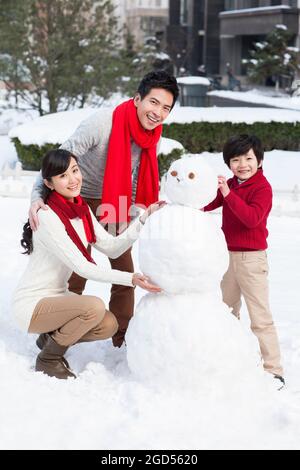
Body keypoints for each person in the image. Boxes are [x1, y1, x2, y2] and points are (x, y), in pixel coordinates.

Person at [28, 70, 179, 348]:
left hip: (113, 199)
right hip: (74, 198)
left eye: (166, 108)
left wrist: (136, 215)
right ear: (137, 99)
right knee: (76, 268)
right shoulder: (102, 123)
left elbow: (136, 176)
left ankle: (121, 335)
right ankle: (57, 332)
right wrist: (37, 196)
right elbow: (58, 161)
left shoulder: (152, 136)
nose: (158, 112)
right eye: (154, 102)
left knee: (124, 266)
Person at [13, 149, 164, 380]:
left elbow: (112, 246)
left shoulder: (81, 210)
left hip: (58, 297)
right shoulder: (47, 216)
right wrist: (130, 278)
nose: (73, 179)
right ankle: (49, 358)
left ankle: (49, 338)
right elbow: (82, 267)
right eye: (63, 176)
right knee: (93, 306)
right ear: (49, 183)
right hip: (33, 304)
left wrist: (143, 218)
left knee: (108, 324)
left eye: (75, 170)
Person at [203, 134, 284, 388]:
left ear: (259, 161)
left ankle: (273, 369)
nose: (242, 165)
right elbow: (206, 204)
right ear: (229, 164)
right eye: (236, 160)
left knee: (260, 317)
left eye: (248, 158)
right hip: (226, 258)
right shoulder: (231, 184)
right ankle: (230, 359)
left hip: (252, 260)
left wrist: (228, 193)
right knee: (226, 313)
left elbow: (252, 219)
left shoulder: (262, 188)